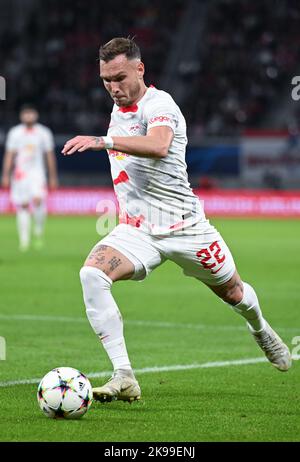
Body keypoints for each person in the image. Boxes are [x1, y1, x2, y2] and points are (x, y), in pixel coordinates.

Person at [62, 38, 291, 403]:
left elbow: (158, 146)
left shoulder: (160, 104)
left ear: (140, 69)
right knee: (92, 274)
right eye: (105, 80)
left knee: (234, 293)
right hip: (138, 230)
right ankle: (124, 375)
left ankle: (260, 329)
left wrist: (103, 141)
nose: (113, 87)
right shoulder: (118, 110)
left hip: (186, 227)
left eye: (119, 77)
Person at [1, 105, 58, 251]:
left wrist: (52, 176)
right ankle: (24, 240)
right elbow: (10, 154)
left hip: (37, 174)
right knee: (24, 205)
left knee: (38, 201)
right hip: (20, 175)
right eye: (26, 114)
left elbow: (49, 155)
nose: (28, 116)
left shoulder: (43, 133)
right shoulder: (15, 133)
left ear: (36, 115)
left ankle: (38, 231)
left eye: (31, 113)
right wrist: (5, 175)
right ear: (21, 116)